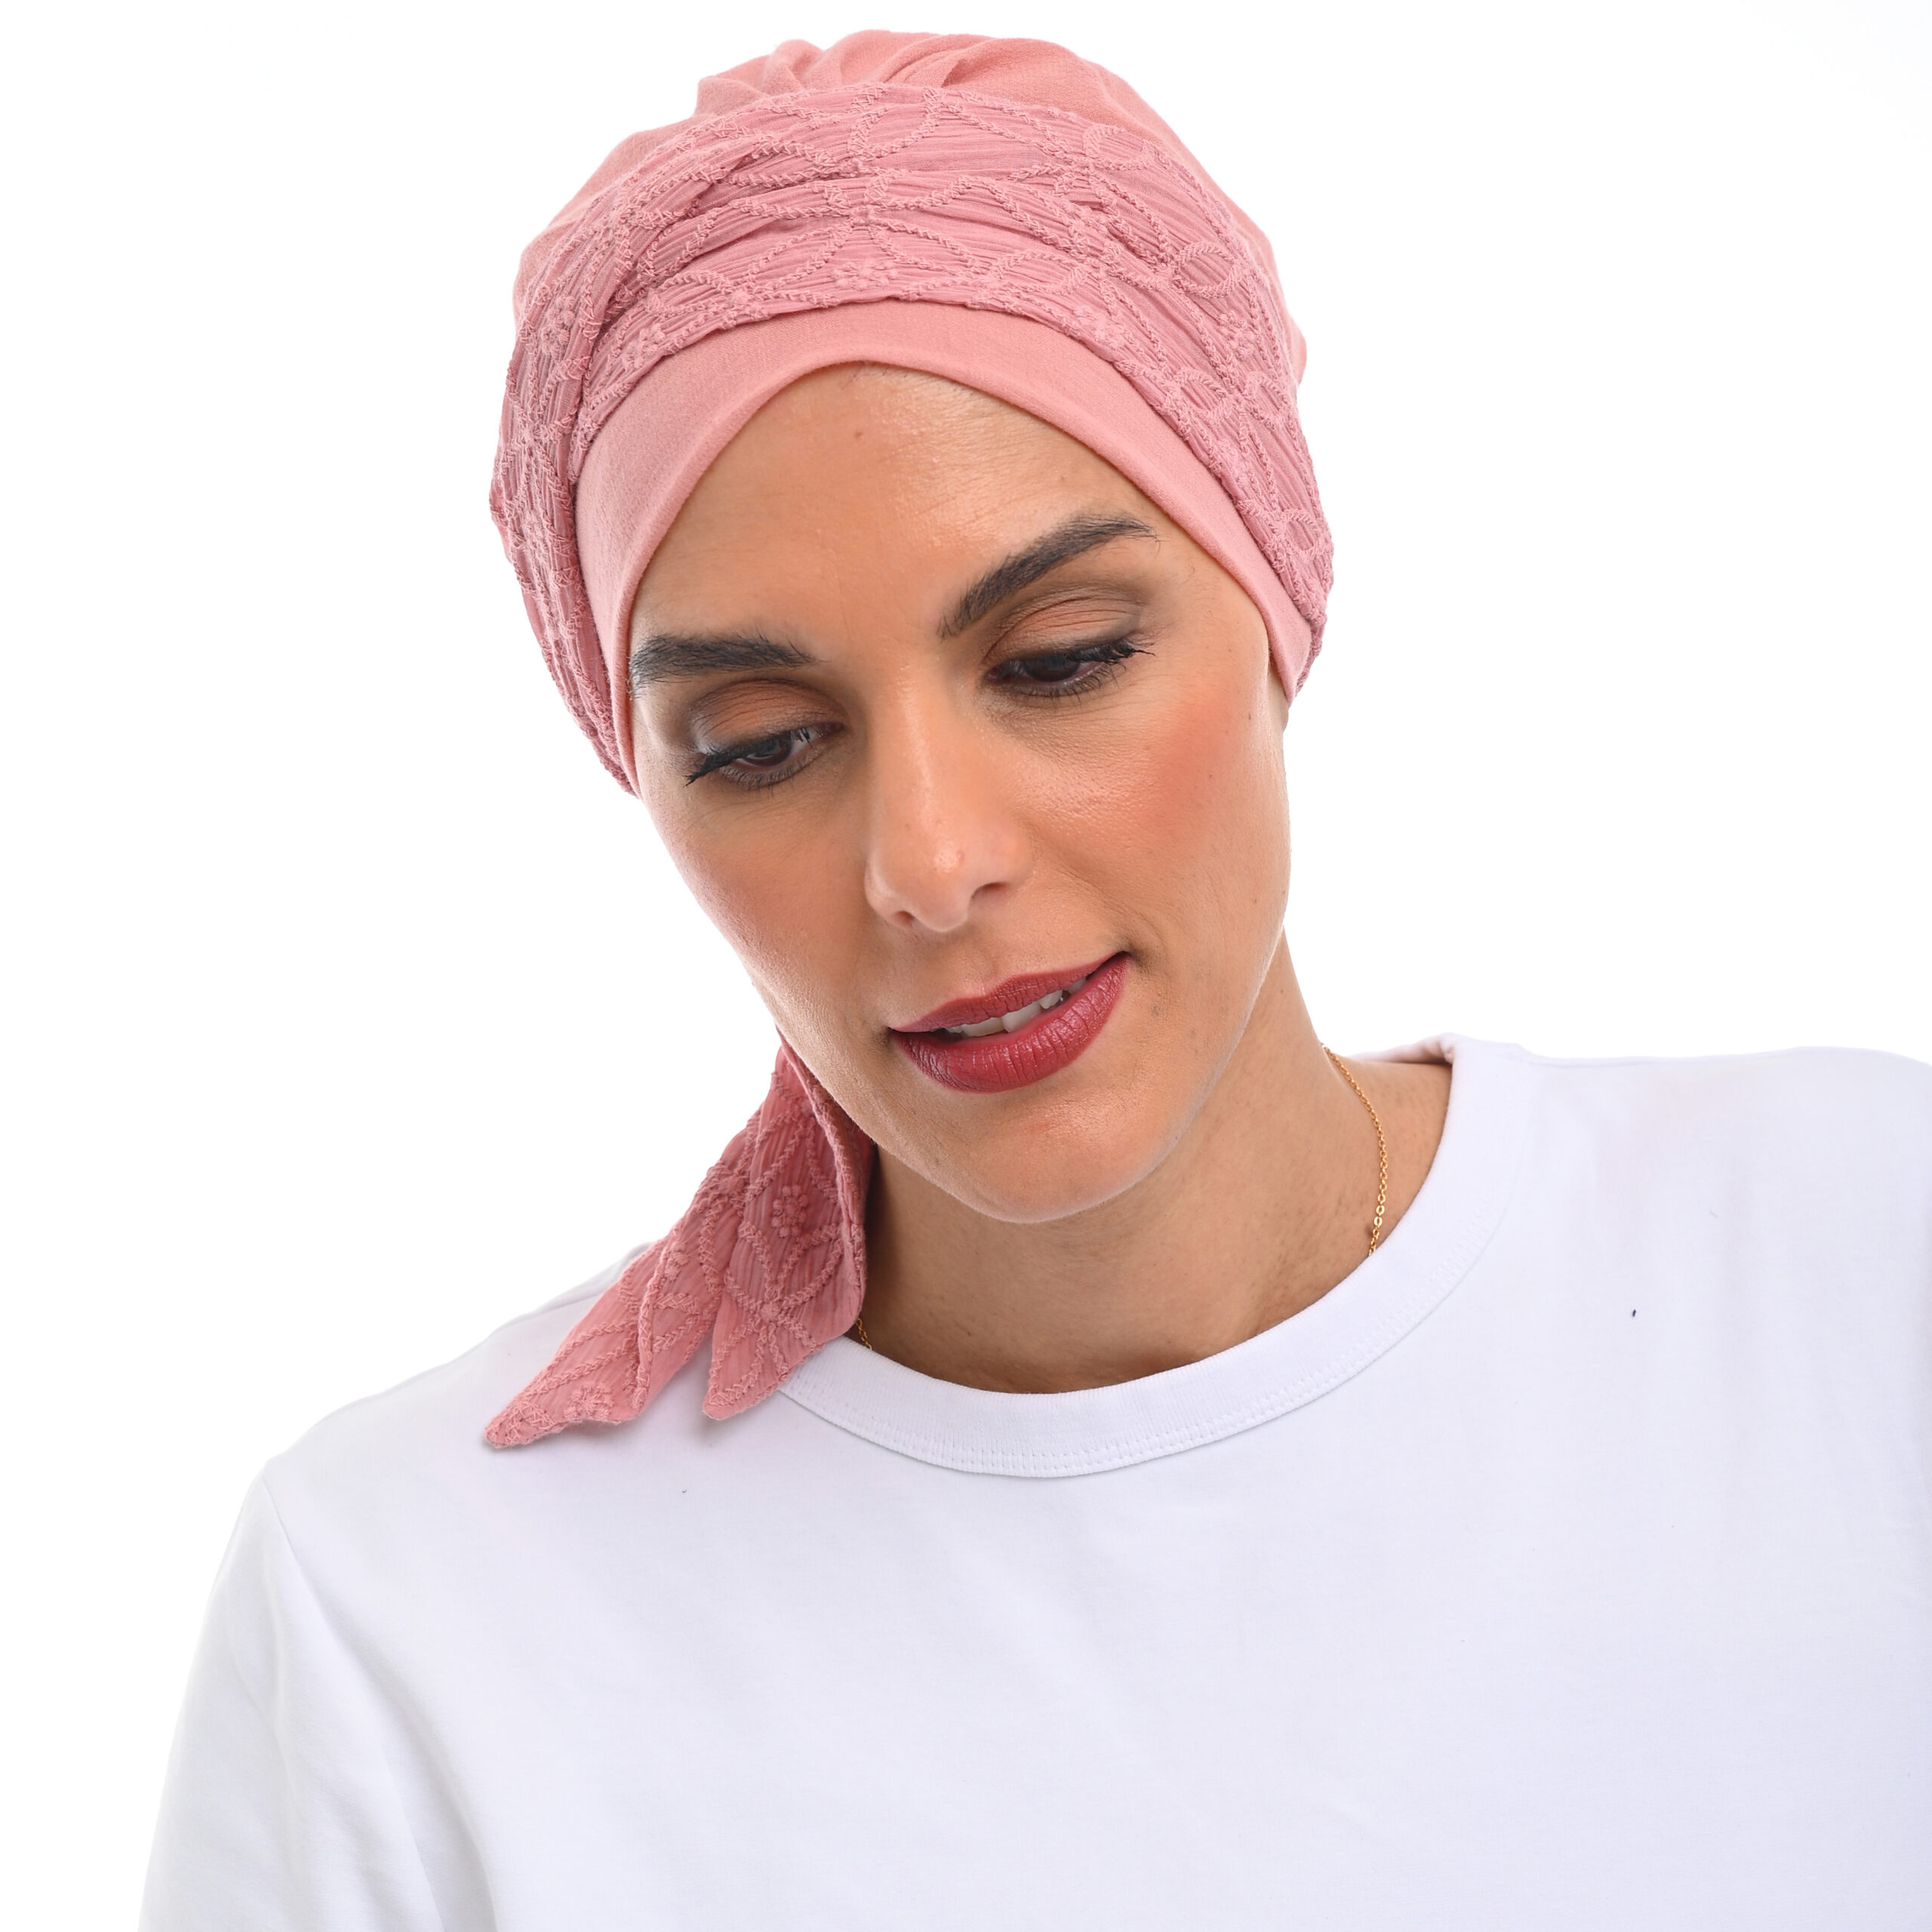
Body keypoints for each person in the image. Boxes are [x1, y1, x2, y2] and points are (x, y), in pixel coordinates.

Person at [142, 32, 1932, 1930]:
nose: (928, 861)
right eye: (759, 741)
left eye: (1060, 656)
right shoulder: (407, 1608)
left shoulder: (1855, 1259)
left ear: (1275, 595)